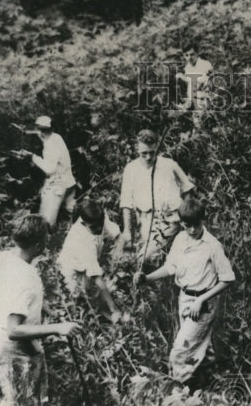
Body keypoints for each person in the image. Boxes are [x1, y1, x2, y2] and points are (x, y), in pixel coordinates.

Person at [0, 214, 79, 406]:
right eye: (45, 239)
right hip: (10, 349)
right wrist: (58, 327)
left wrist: (43, 309)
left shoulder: (5, 258)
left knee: (5, 397)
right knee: (16, 404)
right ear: (38, 245)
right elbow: (14, 329)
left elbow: (10, 298)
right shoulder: (24, 278)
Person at [136, 198, 236, 388]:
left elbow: (228, 279)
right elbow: (171, 267)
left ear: (203, 221)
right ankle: (208, 385)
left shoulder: (212, 246)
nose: (192, 230)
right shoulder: (181, 239)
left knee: (181, 351)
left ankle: (178, 394)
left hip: (203, 303)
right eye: (187, 225)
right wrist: (147, 278)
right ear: (182, 223)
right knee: (199, 346)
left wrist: (201, 300)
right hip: (185, 299)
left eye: (196, 225)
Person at [117, 129, 196, 267]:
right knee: (147, 259)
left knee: (146, 256)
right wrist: (127, 230)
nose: (148, 157)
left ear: (157, 147)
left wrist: (186, 214)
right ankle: (155, 283)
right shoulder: (131, 169)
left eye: (152, 153)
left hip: (172, 220)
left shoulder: (169, 165)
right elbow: (126, 203)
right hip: (146, 220)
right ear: (137, 148)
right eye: (144, 154)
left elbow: (188, 188)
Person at [57, 198, 123, 323]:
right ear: (83, 223)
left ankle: (104, 313)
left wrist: (117, 257)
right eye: (93, 227)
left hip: (87, 268)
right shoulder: (80, 239)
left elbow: (119, 236)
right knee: (80, 305)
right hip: (72, 272)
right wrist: (113, 309)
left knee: (101, 295)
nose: (99, 229)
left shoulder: (99, 217)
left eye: (101, 224)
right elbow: (97, 277)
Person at [23, 115, 77, 226]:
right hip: (68, 182)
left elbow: (50, 169)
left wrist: (33, 157)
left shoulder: (49, 145)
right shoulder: (56, 137)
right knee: (73, 211)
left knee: (46, 221)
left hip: (58, 186)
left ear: (40, 131)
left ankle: (45, 239)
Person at [177, 47, 214, 128]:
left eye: (192, 54)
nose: (189, 57)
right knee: (193, 124)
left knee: (201, 124)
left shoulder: (205, 65)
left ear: (197, 53)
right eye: (186, 55)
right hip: (193, 99)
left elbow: (202, 82)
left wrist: (182, 77)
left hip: (202, 99)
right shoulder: (188, 67)